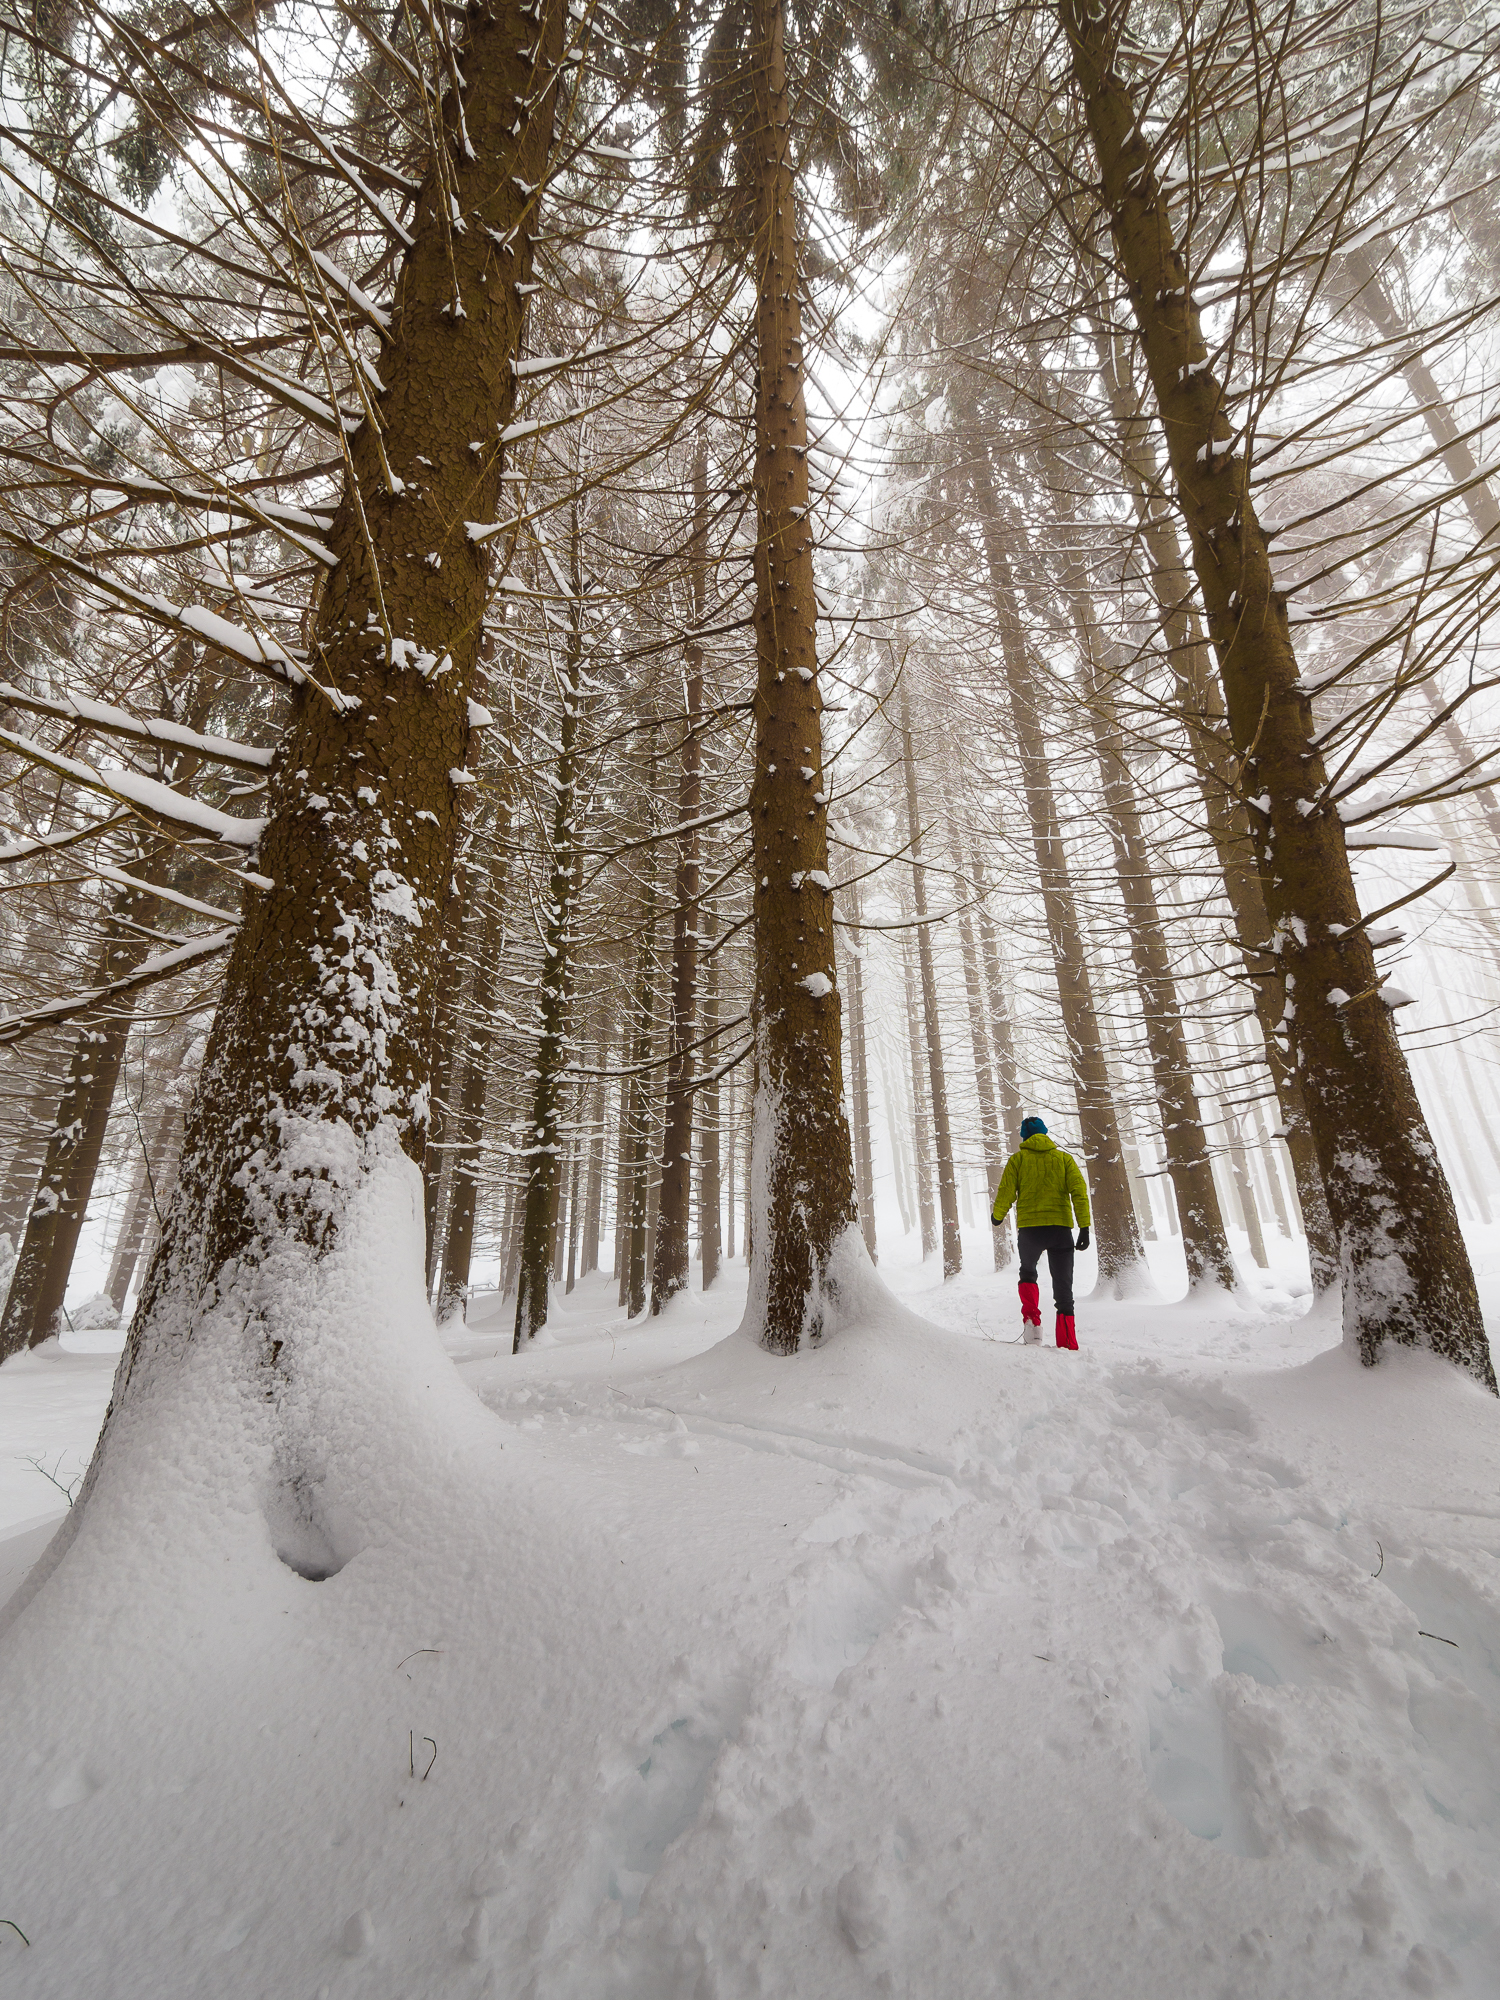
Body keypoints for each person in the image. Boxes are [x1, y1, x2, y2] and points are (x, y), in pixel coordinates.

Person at [991, 1117, 1091, 1349]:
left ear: (1024, 1137)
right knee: (1064, 1287)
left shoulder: (1018, 1160)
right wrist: (1084, 1226)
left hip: (1030, 1230)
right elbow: (1079, 1192)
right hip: (1060, 1230)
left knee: (1028, 1273)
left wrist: (998, 1216)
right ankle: (1067, 1342)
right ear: (1046, 1134)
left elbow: (1006, 1191)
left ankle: (1032, 1327)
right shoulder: (1064, 1159)